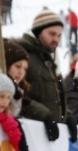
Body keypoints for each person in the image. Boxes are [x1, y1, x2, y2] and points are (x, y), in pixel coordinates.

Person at [18, 8, 66, 140]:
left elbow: (57, 96)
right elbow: (14, 96)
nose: (56, 39)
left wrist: (67, 116)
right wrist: (44, 115)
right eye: (52, 34)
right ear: (38, 32)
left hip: (50, 140)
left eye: (59, 35)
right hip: (30, 136)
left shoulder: (51, 59)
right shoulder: (23, 56)